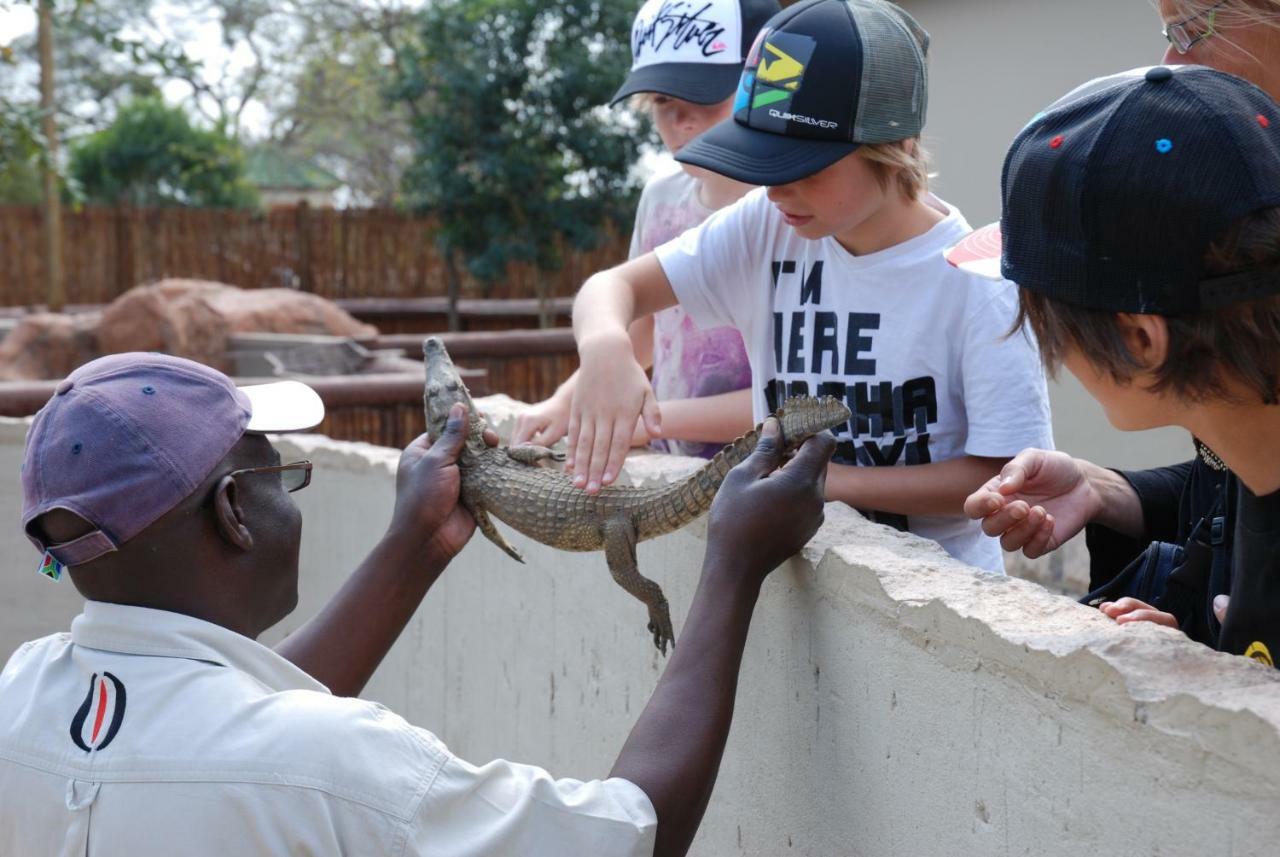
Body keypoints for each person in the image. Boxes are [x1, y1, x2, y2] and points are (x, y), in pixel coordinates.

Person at [0, 352, 835, 855]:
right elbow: (629, 836)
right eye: (278, 473)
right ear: (231, 514)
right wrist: (731, 565)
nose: (293, 497)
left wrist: (418, 543)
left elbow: (223, 724)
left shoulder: (22, 699)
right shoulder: (337, 762)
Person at [564, 0, 1053, 573]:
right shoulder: (766, 225)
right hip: (782, 574)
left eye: (805, 170)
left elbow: (1003, 474)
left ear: (895, 149)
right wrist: (605, 348)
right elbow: (613, 287)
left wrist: (824, 480)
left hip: (922, 602)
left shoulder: (979, 282)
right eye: (764, 164)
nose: (776, 190)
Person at [957, 65, 1280, 665]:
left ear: (1138, 339)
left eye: (1050, 326)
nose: (1054, 354)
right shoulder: (1254, 436)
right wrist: (1104, 490)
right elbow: (1231, 489)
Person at [514, 0, 779, 459]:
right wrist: (566, 400)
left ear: (761, 83)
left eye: (704, 95)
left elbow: (798, 397)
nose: (680, 121)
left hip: (765, 480)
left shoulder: (793, 209)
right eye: (662, 101)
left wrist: (642, 420)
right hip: (671, 468)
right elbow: (644, 337)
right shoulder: (661, 199)